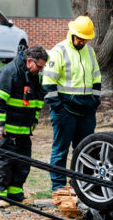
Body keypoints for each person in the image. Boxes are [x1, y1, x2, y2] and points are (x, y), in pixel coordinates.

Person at [42, 15, 101, 196]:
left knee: (85, 149)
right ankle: (59, 187)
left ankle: (80, 184)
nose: (83, 42)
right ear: (72, 34)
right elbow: (48, 81)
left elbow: (96, 77)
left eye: (86, 39)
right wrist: (58, 107)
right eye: (80, 38)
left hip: (86, 109)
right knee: (60, 149)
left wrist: (95, 101)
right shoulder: (58, 51)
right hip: (65, 109)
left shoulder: (89, 52)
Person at [0, 45, 48, 207]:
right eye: (39, 66)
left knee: (22, 163)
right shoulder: (9, 72)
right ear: (29, 61)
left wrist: (34, 120)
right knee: (3, 162)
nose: (40, 70)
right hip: (5, 130)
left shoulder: (32, 75)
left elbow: (36, 99)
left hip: (22, 130)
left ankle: (15, 194)